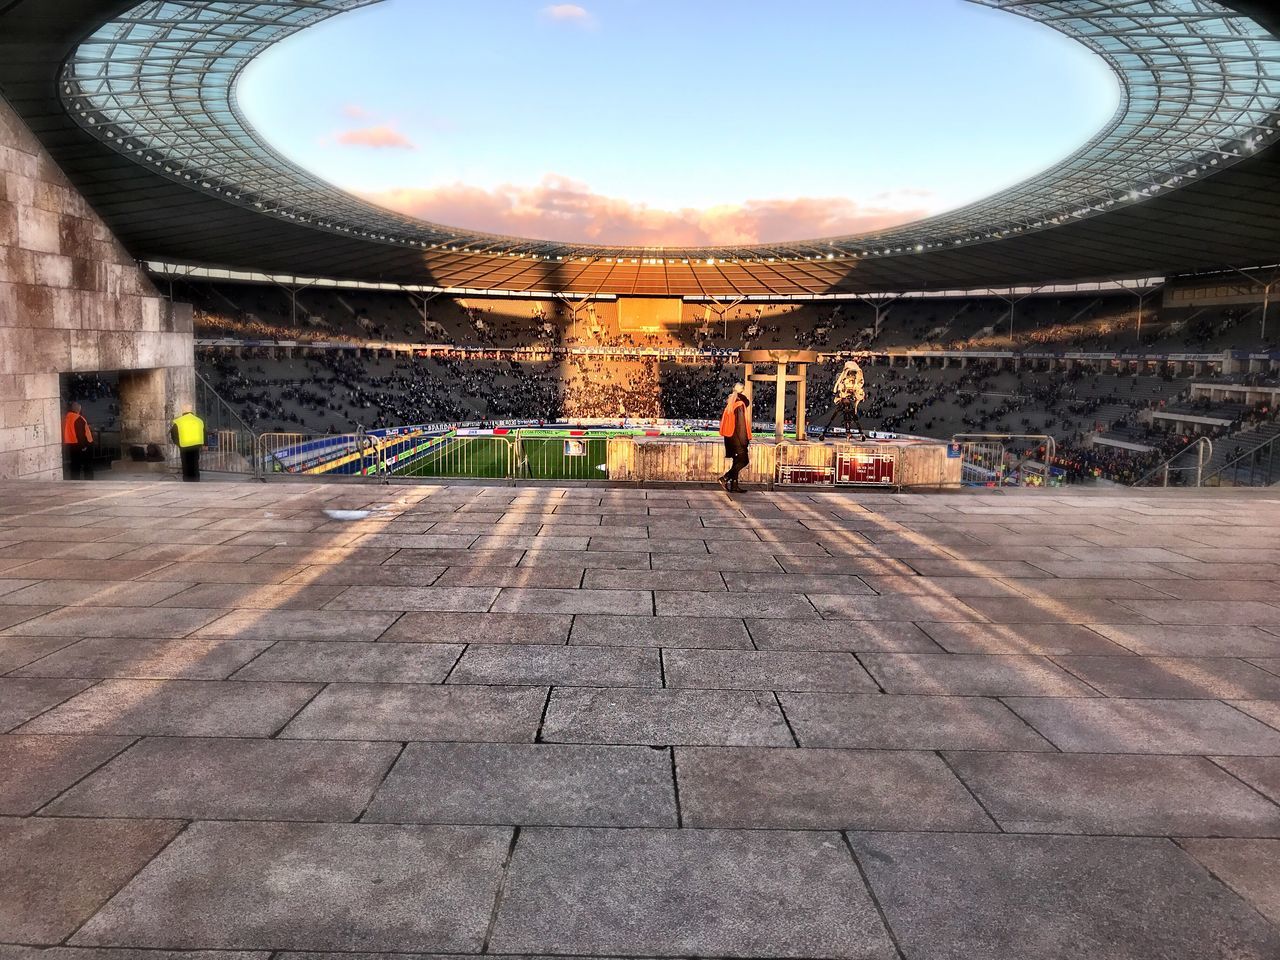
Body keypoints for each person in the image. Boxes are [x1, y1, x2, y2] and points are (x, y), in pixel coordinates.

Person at [821, 359, 868, 441]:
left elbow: (858, 390)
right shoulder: (843, 381)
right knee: (849, 416)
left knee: (850, 416)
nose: (852, 376)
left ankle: (850, 432)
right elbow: (839, 388)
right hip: (844, 398)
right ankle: (855, 433)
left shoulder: (854, 382)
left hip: (846, 398)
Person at [717, 382, 752, 493]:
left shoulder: (731, 403)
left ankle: (734, 485)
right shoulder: (740, 404)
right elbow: (741, 425)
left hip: (730, 437)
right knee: (744, 460)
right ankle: (725, 478)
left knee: (737, 461)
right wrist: (744, 441)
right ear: (743, 390)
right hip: (738, 438)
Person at [170, 404, 206, 482]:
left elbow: (173, 434)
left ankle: (187, 478)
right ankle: (196, 478)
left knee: (186, 463)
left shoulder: (179, 421)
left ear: (183, 411)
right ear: (191, 411)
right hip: (196, 445)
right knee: (195, 462)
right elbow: (204, 432)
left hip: (184, 445)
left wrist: (177, 443)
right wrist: (204, 444)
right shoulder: (199, 421)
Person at [62, 401, 94, 480]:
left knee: (75, 465)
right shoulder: (78, 418)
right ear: (78, 408)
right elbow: (80, 434)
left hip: (71, 444)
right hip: (81, 445)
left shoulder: (67, 417)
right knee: (87, 465)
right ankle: (89, 480)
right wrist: (84, 446)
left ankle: (75, 481)